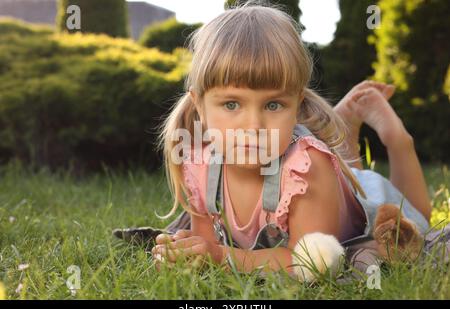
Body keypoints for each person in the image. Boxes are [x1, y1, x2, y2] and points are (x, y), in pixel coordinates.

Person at [114, 3, 438, 281]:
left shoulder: (307, 170)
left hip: (363, 204)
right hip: (332, 194)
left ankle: (396, 136)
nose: (253, 126)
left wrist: (219, 257)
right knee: (346, 177)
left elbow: (308, 261)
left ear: (296, 105)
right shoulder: (198, 165)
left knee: (417, 220)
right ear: (199, 105)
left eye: (273, 105)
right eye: (231, 105)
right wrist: (188, 252)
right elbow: (205, 241)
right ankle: (344, 127)